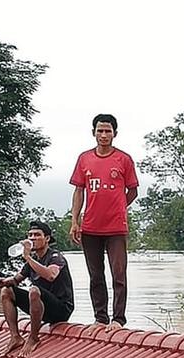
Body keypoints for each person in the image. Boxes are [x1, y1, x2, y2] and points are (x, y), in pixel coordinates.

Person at [68, 113, 139, 330]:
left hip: (116, 227)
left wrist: (118, 207)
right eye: (100, 130)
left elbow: (133, 190)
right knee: (95, 275)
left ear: (115, 134)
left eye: (108, 131)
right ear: (93, 133)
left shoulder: (123, 159)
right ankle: (100, 318)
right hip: (90, 227)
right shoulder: (84, 159)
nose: (104, 135)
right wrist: (75, 220)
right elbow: (79, 191)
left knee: (119, 273)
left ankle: (118, 319)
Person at [0, 221, 75, 356]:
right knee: (6, 291)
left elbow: (51, 275)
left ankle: (33, 337)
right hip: (40, 305)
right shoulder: (32, 261)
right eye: (30, 235)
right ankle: (15, 337)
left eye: (37, 235)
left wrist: (27, 258)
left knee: (33, 290)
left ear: (47, 239)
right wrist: (3, 282)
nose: (33, 238)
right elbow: (16, 280)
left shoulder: (55, 257)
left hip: (60, 308)